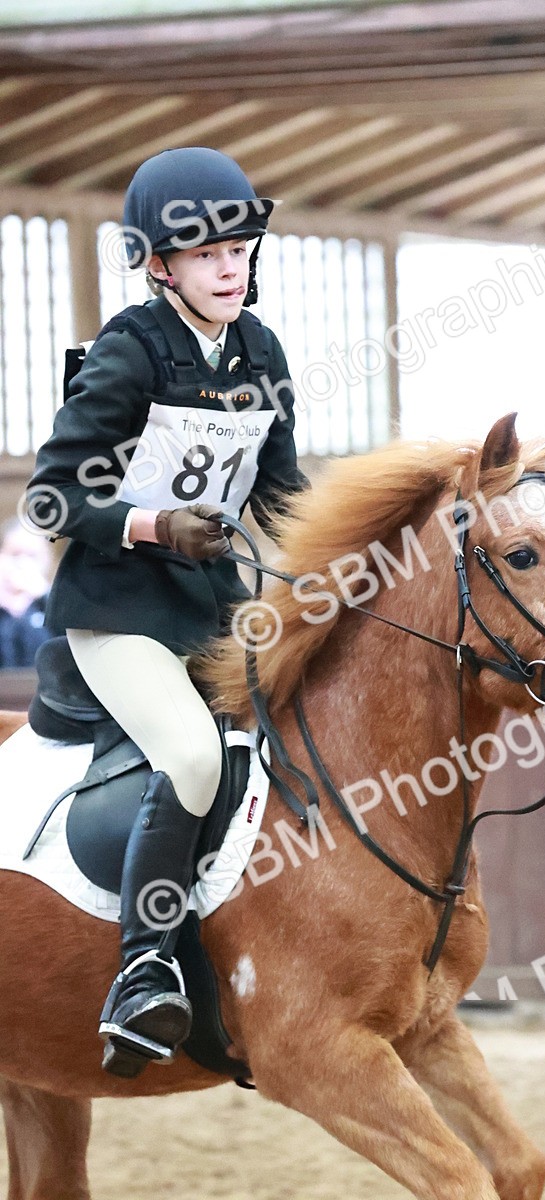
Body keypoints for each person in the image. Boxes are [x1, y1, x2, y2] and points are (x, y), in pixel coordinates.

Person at [25, 147, 308, 1078]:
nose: (231, 269)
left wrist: (350, 568)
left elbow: (282, 495)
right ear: (159, 265)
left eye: (240, 251)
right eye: (208, 255)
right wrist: (151, 525)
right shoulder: (130, 348)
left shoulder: (260, 352)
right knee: (191, 755)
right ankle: (142, 968)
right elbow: (51, 497)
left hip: (214, 611)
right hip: (119, 613)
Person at [0, 518, 53, 667]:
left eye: (32, 556)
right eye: (15, 554)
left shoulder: (55, 607)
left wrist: (45, 596)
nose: (22, 564)